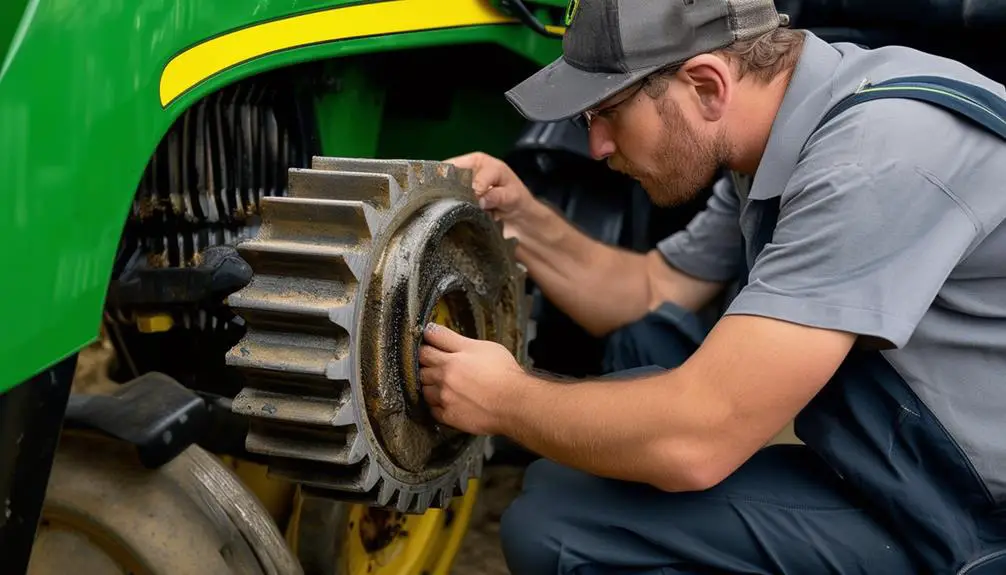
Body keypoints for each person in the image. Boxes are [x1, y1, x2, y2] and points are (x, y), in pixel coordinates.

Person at [418, 0, 1006, 573]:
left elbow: (695, 443)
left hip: (979, 516)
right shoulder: (791, 129)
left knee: (564, 527)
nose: (596, 146)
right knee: (609, 418)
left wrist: (503, 398)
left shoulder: (871, 161)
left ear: (705, 86)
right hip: (909, 467)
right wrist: (520, 216)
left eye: (607, 112)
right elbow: (651, 291)